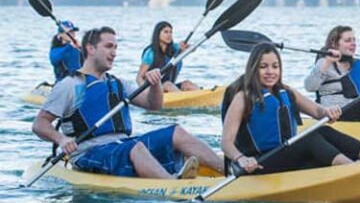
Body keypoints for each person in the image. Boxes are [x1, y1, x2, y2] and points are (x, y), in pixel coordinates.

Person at [32, 26, 224, 179]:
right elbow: (40, 124)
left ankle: (228, 169)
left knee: (176, 132)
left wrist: (155, 84)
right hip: (90, 153)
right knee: (136, 148)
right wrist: (62, 139)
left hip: (122, 145)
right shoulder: (71, 85)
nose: (114, 53)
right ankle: (172, 185)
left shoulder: (118, 83)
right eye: (109, 46)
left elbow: (154, 105)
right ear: (90, 49)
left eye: (116, 47)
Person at [221, 43, 360, 175]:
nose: (270, 72)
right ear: (253, 69)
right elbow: (226, 143)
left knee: (322, 131)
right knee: (308, 138)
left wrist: (327, 111)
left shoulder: (286, 91)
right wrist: (241, 159)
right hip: (259, 163)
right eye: (263, 67)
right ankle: (353, 170)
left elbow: (318, 111)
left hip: (286, 157)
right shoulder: (243, 98)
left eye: (275, 67)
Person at [137, 21, 199, 92]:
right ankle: (183, 100)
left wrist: (186, 45)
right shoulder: (151, 53)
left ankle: (203, 98)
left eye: (170, 32)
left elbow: (192, 49)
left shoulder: (175, 48)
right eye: (166, 32)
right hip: (153, 91)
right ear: (158, 34)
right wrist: (145, 92)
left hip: (170, 89)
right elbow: (139, 77)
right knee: (168, 85)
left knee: (187, 84)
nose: (169, 35)